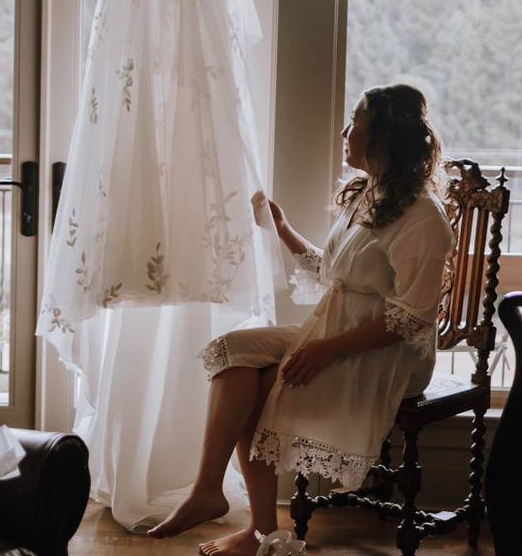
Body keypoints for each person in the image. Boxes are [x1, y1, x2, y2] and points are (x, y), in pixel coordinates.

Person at [148, 84, 454, 556]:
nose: (344, 130)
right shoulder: (366, 195)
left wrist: (326, 349)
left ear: (385, 136)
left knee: (258, 382)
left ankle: (255, 530)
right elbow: (338, 276)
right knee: (231, 353)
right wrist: (283, 230)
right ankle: (215, 496)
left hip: (390, 354)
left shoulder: (423, 217)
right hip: (332, 332)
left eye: (356, 120)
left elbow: (412, 319)